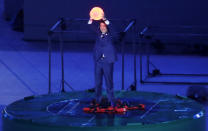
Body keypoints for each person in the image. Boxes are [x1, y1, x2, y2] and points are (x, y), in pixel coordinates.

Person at [88, 15, 117, 106]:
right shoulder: (98, 35)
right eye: (101, 26)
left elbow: (112, 28)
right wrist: (91, 20)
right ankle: (98, 99)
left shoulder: (111, 35)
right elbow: (90, 27)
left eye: (104, 26)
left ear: (107, 27)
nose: (102, 28)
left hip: (108, 61)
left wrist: (105, 20)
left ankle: (111, 100)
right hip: (98, 61)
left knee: (109, 82)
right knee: (97, 82)